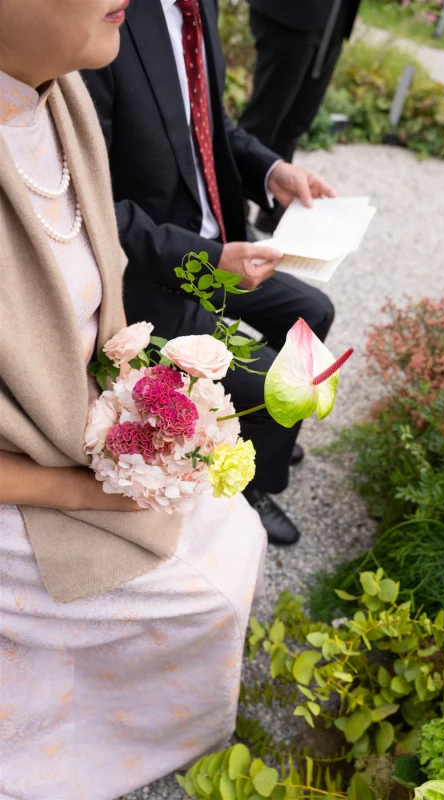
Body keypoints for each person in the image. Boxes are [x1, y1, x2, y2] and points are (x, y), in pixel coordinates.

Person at [0, 2, 266, 797]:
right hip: (29, 472)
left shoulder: (58, 96)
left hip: (76, 424)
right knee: (206, 593)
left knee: (236, 526)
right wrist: (89, 488)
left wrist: (148, 404)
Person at [82, 0, 337, 548]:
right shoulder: (109, 21)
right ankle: (251, 486)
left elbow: (209, 122)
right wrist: (207, 259)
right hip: (152, 267)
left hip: (217, 244)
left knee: (315, 312)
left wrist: (272, 170)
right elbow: (97, 204)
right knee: (280, 383)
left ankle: (265, 437)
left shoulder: (198, 9)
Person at [241, 0, 361, 234]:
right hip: (291, 14)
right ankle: (233, 207)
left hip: (334, 16)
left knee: (296, 122)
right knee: (263, 120)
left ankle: (274, 211)